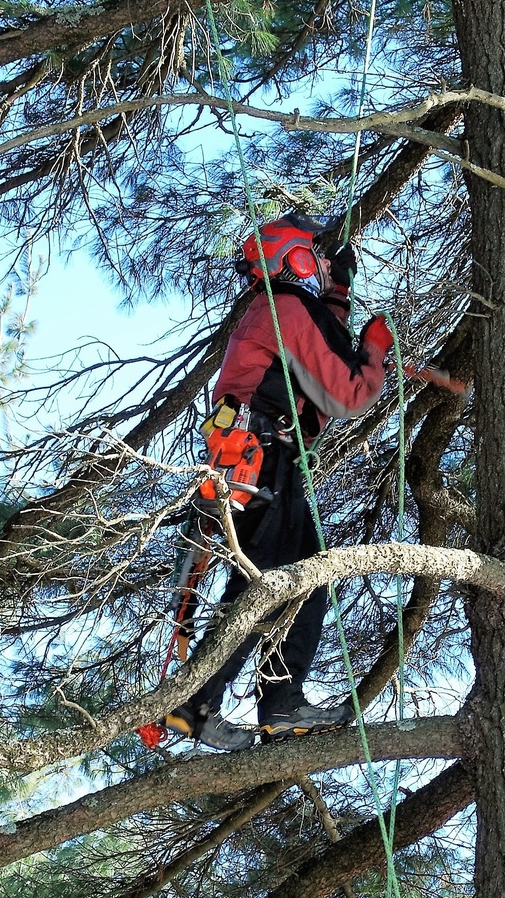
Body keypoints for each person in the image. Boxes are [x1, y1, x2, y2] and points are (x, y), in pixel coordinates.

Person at [166, 213, 395, 751]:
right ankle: (196, 701)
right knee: (274, 581)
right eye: (313, 253)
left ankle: (274, 702)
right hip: (262, 459)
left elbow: (321, 351)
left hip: (267, 459)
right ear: (291, 257)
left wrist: (339, 293)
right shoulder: (285, 306)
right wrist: (378, 352)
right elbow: (344, 395)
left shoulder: (288, 309)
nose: (318, 261)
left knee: (298, 578)